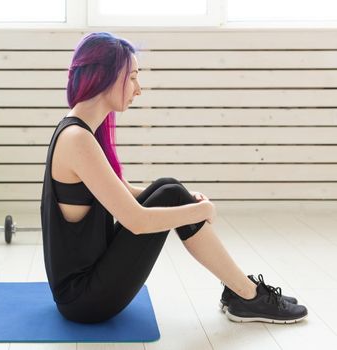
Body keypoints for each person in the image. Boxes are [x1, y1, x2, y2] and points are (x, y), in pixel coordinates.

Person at [40, 32, 308, 324]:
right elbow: (137, 221)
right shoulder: (77, 138)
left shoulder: (78, 131)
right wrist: (199, 211)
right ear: (106, 77)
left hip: (84, 291)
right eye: (132, 78)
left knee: (169, 187)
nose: (138, 89)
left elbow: (122, 191)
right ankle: (246, 293)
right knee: (170, 195)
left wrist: (186, 203)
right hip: (84, 300)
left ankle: (243, 291)